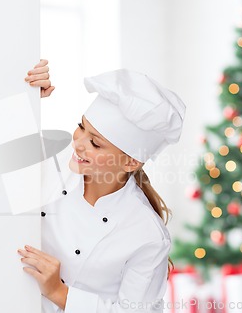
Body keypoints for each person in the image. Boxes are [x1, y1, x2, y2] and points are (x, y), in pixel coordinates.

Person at [18, 59, 186, 312]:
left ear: (131, 161)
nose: (79, 143)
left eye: (95, 143)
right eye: (81, 127)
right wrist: (28, 97)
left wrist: (59, 292)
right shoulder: (53, 160)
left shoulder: (147, 234)